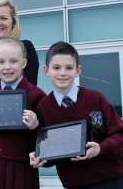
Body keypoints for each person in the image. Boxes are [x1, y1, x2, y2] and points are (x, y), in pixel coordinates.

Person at [29, 41, 123, 189]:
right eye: (56, 67)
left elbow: (119, 135)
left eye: (69, 68)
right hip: (74, 185)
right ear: (46, 70)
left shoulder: (95, 98)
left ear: (78, 70)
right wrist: (40, 159)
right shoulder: (43, 108)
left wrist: (101, 148)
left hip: (112, 181)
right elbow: (51, 151)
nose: (62, 73)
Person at [0, 38, 46, 189]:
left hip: (22, 165)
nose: (7, 67)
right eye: (1, 62)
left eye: (13, 61)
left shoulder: (36, 95)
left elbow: (46, 136)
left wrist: (36, 126)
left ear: (24, 63)